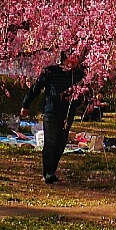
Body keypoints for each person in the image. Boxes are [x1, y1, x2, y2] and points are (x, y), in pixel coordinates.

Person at [21, 49, 87, 183]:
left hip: (67, 112)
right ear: (64, 58)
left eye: (76, 58)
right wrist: (25, 105)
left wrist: (77, 101)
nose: (74, 61)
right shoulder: (50, 71)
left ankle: (52, 170)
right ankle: (48, 173)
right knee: (50, 142)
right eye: (71, 58)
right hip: (51, 111)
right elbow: (36, 88)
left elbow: (84, 93)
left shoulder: (80, 75)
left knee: (61, 142)